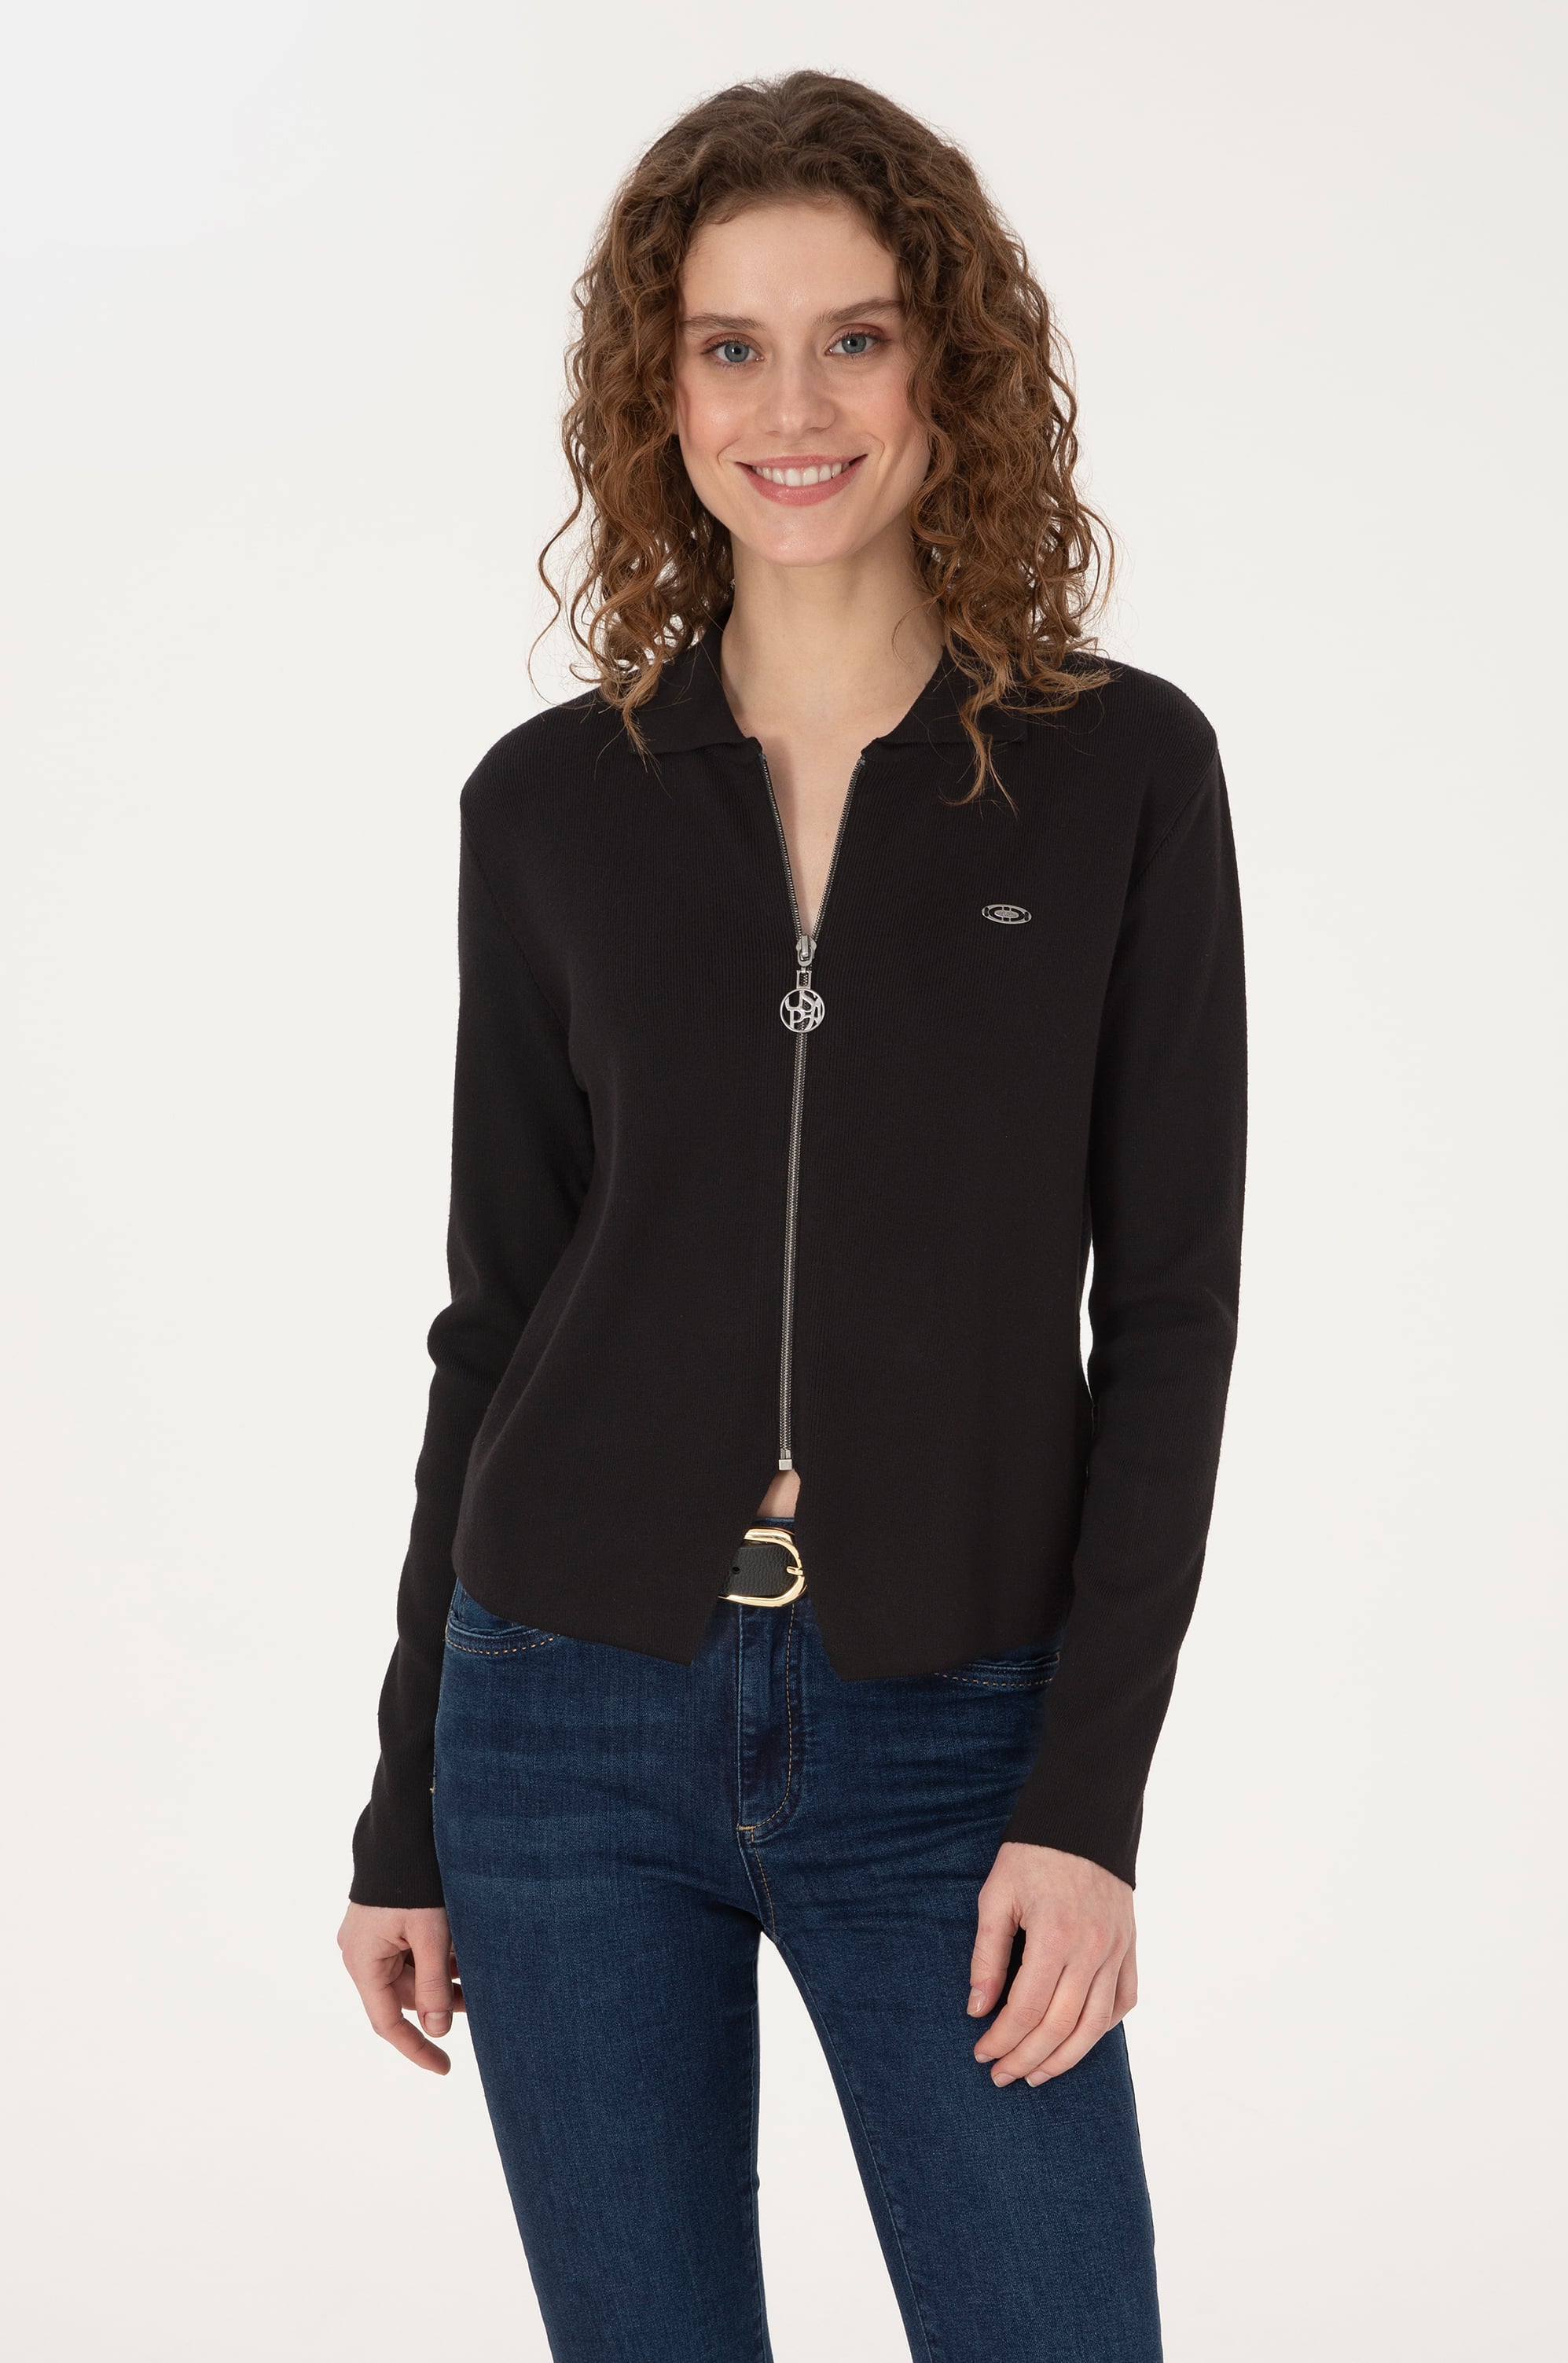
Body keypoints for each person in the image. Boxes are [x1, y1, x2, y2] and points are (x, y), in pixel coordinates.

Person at [337, 67, 1247, 2363]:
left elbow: (1169, 1313)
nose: (794, 408)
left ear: (949, 363)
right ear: (661, 393)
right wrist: (403, 1804)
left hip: (955, 1730)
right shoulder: (551, 806)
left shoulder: (1119, 769)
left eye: (855, 338)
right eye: (730, 347)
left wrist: (1087, 1804)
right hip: (561, 1715)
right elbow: (495, 1316)